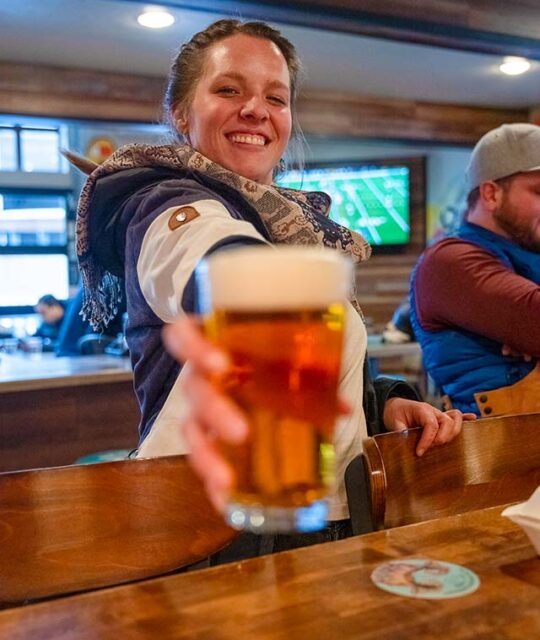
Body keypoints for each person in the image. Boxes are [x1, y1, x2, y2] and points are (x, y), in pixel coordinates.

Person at [72, 19, 471, 550]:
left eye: (275, 97)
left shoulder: (297, 227)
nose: (256, 109)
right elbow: (216, 262)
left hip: (330, 517)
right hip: (216, 529)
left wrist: (386, 404)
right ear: (181, 112)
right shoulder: (164, 203)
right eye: (228, 89)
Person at [410, 123, 540, 417]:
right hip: (504, 457)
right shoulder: (449, 262)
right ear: (491, 194)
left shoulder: (525, 251)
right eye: (539, 191)